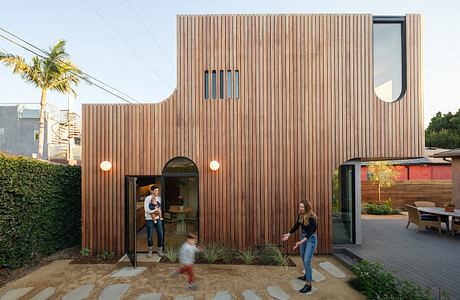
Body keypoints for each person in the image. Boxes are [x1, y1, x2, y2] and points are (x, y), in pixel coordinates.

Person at [281, 200, 317, 294]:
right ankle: (306, 275)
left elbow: (309, 234)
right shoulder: (301, 215)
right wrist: (289, 234)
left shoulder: (312, 218)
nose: (300, 208)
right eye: (300, 206)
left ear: (307, 208)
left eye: (302, 207)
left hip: (310, 239)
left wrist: (300, 242)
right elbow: (297, 226)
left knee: (306, 260)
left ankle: (308, 284)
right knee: (302, 256)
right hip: (303, 237)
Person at [144, 185, 164, 257]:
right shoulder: (147, 199)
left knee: (160, 234)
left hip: (158, 218)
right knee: (150, 235)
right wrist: (155, 210)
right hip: (149, 219)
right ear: (151, 191)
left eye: (158, 191)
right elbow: (146, 210)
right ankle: (150, 251)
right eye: (155, 191)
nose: (157, 192)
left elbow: (160, 208)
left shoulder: (159, 198)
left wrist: (158, 213)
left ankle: (159, 250)